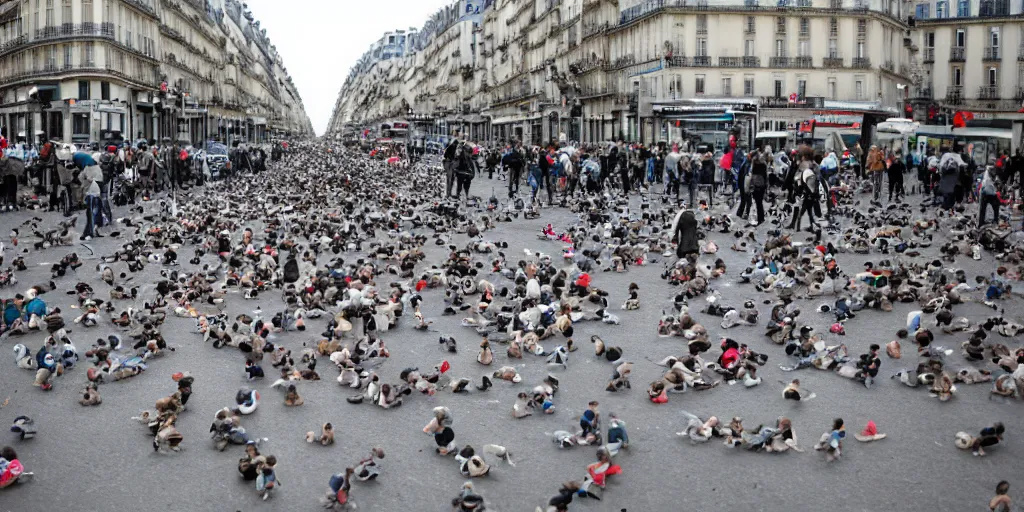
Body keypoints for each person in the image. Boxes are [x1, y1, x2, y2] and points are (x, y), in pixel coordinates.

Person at [72, 151, 103, 240]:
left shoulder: (87, 168)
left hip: (91, 192)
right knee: (96, 211)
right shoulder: (96, 167)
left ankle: (89, 232)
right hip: (97, 192)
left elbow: (82, 181)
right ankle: (94, 229)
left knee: (90, 212)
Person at [938, 146, 965, 211]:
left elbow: (940, 168)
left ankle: (945, 210)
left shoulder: (945, 156)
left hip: (945, 181)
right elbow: (962, 169)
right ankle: (949, 210)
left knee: (946, 197)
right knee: (952, 197)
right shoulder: (959, 157)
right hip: (955, 182)